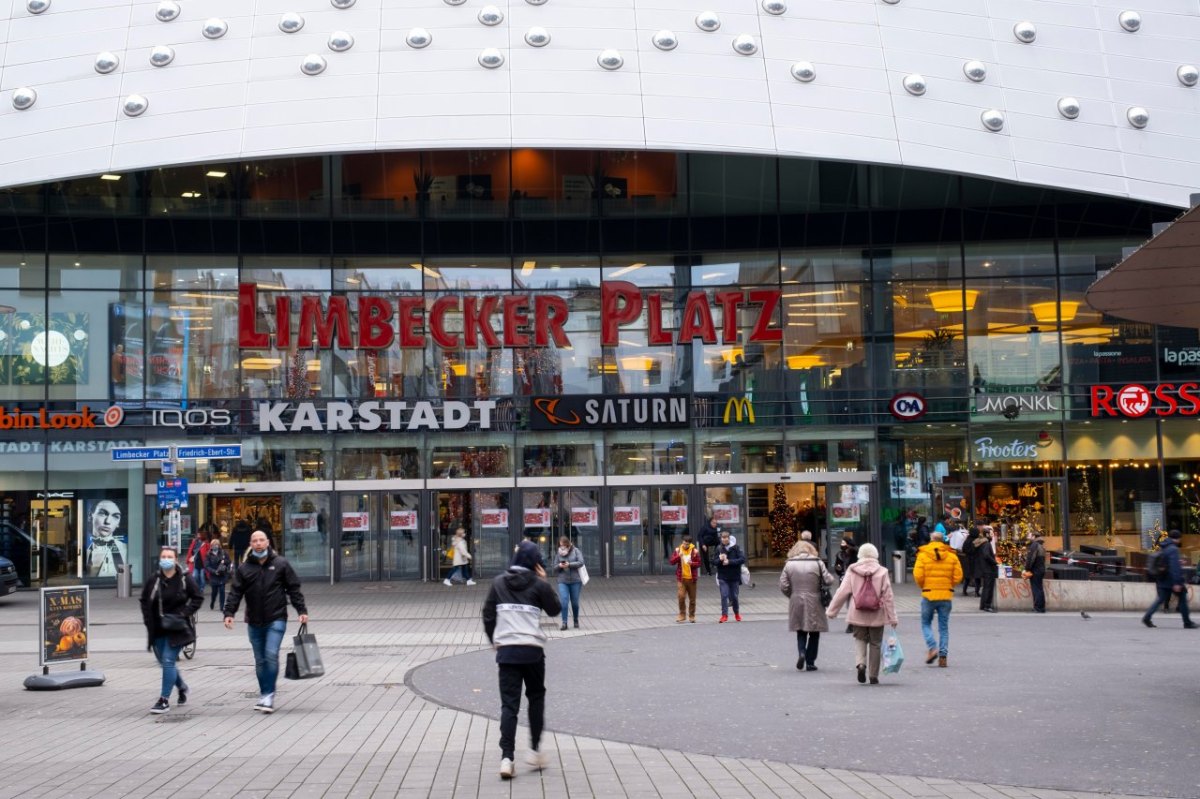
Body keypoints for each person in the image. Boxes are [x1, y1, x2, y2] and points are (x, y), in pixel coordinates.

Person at [481, 541, 562, 780]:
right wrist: (545, 582)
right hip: (533, 652)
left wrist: (494, 639)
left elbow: (487, 614)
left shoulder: (498, 583)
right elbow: (555, 609)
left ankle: (507, 758)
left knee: (509, 705)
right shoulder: (538, 585)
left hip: (507, 652)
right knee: (536, 698)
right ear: (535, 563)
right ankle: (535, 750)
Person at [223, 531, 309, 714]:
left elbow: (293, 588)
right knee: (260, 660)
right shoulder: (244, 568)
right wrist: (229, 613)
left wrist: (301, 610)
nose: (258, 543)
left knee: (270, 654)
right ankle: (264, 694)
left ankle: (269, 695)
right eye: (255, 541)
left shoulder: (280, 564)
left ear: (268, 542)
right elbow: (235, 592)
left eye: (261, 540)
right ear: (250, 544)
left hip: (276, 618)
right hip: (254, 621)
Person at [139, 546, 203, 714]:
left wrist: (184, 614)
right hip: (158, 628)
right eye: (163, 556)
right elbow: (144, 601)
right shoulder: (154, 579)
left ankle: (164, 700)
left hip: (177, 627)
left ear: (175, 560)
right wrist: (148, 621)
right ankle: (182, 686)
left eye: (169, 556)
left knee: (168, 661)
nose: (166, 559)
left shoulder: (184, 579)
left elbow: (198, 597)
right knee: (164, 662)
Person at [826, 543, 898, 685]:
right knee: (875, 643)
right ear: (875, 555)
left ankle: (860, 664)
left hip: (857, 612)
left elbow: (842, 592)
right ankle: (873, 675)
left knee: (859, 639)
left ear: (860, 555)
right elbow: (888, 596)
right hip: (877, 612)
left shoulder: (852, 570)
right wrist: (892, 617)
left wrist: (832, 610)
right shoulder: (882, 571)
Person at [779, 540, 834, 671]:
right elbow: (829, 580)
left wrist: (792, 595)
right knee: (815, 632)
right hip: (815, 599)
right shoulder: (818, 562)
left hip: (796, 599)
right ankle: (810, 662)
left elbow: (783, 585)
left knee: (801, 630)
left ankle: (801, 653)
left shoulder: (789, 564)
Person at [913, 530, 963, 668]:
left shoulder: (922, 555)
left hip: (928, 594)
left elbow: (918, 575)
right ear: (943, 541)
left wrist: (924, 586)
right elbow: (958, 576)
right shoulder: (952, 556)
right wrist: (949, 585)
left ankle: (932, 647)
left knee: (925, 623)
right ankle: (943, 656)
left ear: (931, 539)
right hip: (945, 595)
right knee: (943, 627)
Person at [1142, 528, 1197, 629]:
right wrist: (1177, 583)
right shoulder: (1173, 549)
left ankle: (1147, 617)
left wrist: (1178, 562)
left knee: (1160, 600)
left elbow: (1166, 562)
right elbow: (1174, 567)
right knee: (1183, 599)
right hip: (1171, 580)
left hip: (1163, 578)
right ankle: (1187, 622)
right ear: (1177, 538)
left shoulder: (1164, 547)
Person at [84, 499, 127, 578]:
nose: (107, 521)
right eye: (102, 513)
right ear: (90, 516)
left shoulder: (126, 550)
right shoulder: (85, 554)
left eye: (115, 516)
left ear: (118, 523)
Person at [553, 536, 585, 630]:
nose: (561, 547)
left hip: (575, 580)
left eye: (563, 545)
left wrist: (569, 565)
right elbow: (554, 568)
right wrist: (559, 565)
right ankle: (564, 623)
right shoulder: (558, 553)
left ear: (567, 544)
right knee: (564, 601)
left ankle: (575, 620)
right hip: (563, 581)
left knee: (575, 603)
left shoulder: (576, 551)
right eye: (560, 545)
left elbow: (581, 562)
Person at [714, 530, 746, 623]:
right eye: (722, 538)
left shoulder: (736, 548)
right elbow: (714, 561)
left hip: (734, 576)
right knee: (724, 595)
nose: (724, 540)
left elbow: (742, 559)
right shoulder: (718, 548)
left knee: (734, 597)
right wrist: (719, 560)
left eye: (726, 538)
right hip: (723, 576)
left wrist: (729, 561)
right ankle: (724, 615)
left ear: (729, 538)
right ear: (721, 539)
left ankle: (736, 613)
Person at [669, 532, 702, 623]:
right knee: (681, 596)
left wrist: (692, 563)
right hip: (681, 578)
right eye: (684, 543)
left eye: (687, 544)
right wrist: (678, 557)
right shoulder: (678, 550)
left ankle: (692, 616)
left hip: (692, 579)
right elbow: (671, 562)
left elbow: (699, 563)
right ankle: (682, 614)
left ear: (690, 543)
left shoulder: (694, 551)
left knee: (692, 599)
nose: (685, 545)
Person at [204, 537, 232, 611]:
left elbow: (229, 561)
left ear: (219, 545)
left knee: (222, 591)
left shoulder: (223, 552)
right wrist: (214, 571)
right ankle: (212, 602)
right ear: (211, 545)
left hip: (222, 575)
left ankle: (222, 606)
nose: (215, 546)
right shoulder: (208, 554)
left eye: (216, 544)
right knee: (214, 592)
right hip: (214, 576)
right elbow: (207, 566)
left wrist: (224, 562)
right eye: (213, 544)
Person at [1022, 532, 1046, 613]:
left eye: (1030, 535)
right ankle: (1041, 607)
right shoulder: (1041, 545)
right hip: (1041, 569)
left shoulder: (1034, 545)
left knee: (1036, 589)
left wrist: (1027, 568)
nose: (1029, 537)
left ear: (1034, 536)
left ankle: (1038, 608)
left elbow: (1031, 558)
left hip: (1036, 570)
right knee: (1039, 588)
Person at [975, 526, 997, 613]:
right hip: (988, 569)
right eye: (991, 534)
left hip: (984, 568)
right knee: (988, 587)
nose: (992, 536)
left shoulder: (982, 543)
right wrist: (994, 562)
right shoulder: (987, 544)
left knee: (985, 588)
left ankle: (983, 605)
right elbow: (986, 555)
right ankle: (987, 605)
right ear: (987, 535)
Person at [960, 520, 981, 597]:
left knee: (967, 577)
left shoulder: (967, 540)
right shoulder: (978, 540)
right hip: (976, 560)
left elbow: (963, 549)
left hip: (967, 559)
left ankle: (964, 591)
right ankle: (977, 592)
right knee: (977, 577)